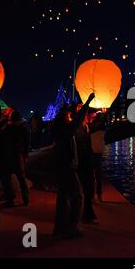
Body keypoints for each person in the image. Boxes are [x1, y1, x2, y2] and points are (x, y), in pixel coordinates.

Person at [52, 93, 95, 239]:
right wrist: (88, 101)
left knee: (64, 198)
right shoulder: (66, 130)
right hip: (68, 167)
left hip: (61, 166)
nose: (70, 117)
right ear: (64, 118)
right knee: (78, 196)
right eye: (68, 115)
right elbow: (77, 121)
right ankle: (72, 227)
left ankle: (60, 228)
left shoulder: (61, 130)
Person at [0, 110, 30, 208]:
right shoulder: (24, 129)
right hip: (18, 156)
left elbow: (1, 137)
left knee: (5, 178)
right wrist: (25, 156)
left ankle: (10, 199)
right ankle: (26, 198)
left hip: (8, 157)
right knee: (21, 178)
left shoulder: (7, 129)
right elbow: (27, 144)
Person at [75, 106, 98, 224]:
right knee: (84, 188)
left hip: (85, 160)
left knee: (87, 189)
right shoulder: (79, 127)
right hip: (82, 161)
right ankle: (85, 214)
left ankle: (87, 213)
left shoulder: (84, 126)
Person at [90, 113, 107, 202]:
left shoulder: (91, 127)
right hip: (98, 152)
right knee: (98, 175)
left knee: (92, 176)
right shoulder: (103, 127)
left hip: (92, 152)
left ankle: (92, 195)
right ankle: (99, 195)